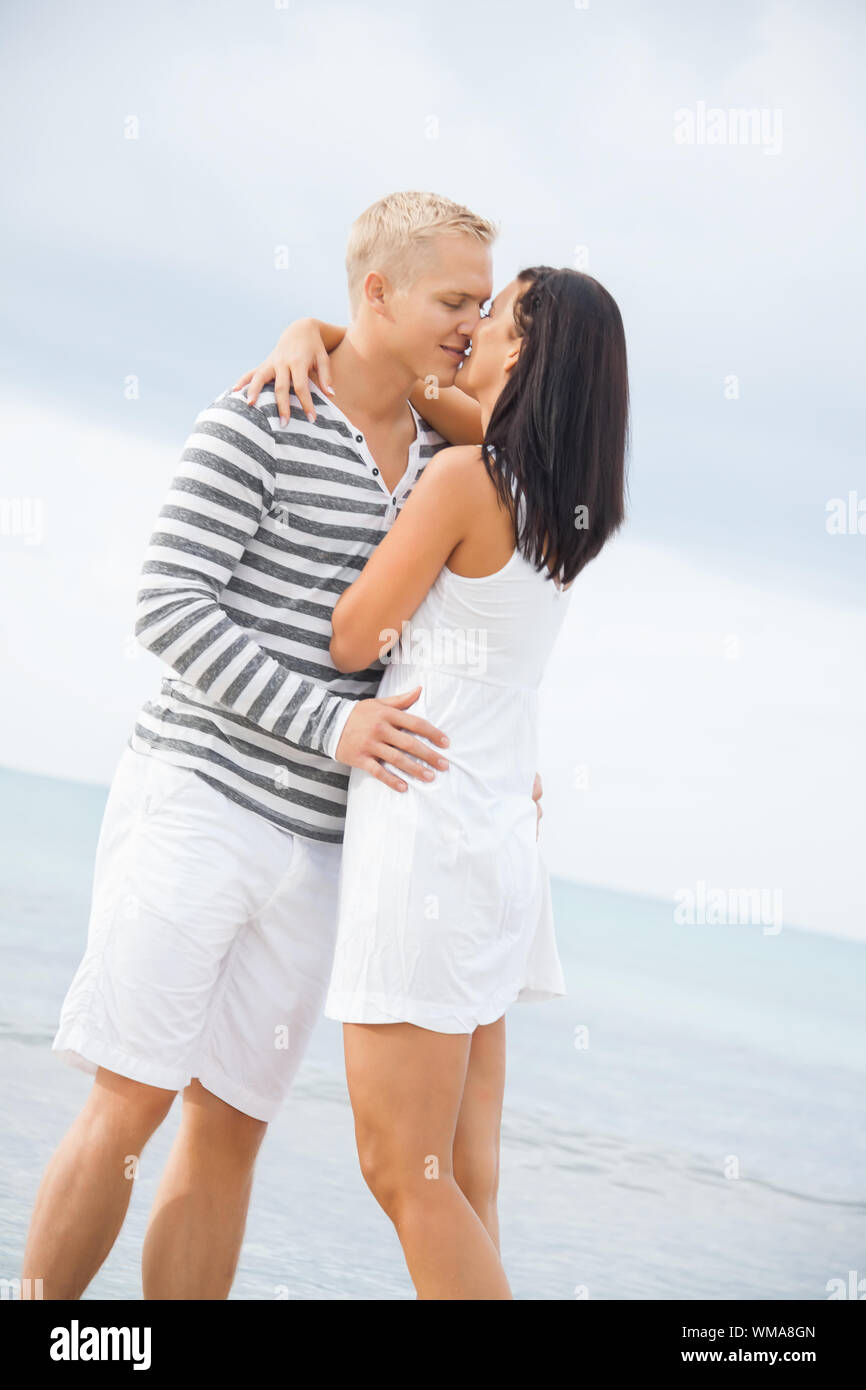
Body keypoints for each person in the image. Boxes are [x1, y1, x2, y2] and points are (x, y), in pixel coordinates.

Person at [21, 191, 552, 1300]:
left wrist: (493, 752)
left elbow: (470, 622)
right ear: (376, 293)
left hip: (324, 844)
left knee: (230, 1128)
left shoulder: (440, 450)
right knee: (130, 1099)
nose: (469, 321)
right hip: (198, 801)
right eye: (455, 299)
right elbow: (168, 608)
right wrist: (333, 721)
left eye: (479, 303)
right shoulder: (257, 414)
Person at [238, 261, 629, 1298]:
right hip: (494, 844)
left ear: (523, 352)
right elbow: (402, 374)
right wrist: (306, 330)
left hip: (425, 837)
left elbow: (354, 630)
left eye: (492, 316)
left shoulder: (463, 481)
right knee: (463, 1176)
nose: (470, 326)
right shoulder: (552, 503)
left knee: (400, 1170)